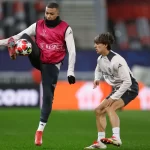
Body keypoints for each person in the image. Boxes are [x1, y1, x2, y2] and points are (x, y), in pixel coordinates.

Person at [0, 2, 76, 146]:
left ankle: (39, 131)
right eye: (46, 13)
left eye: (51, 14)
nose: (48, 16)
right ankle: (14, 49)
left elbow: (72, 51)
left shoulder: (66, 29)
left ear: (57, 13)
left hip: (52, 65)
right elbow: (16, 36)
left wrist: (70, 71)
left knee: (47, 96)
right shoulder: (38, 25)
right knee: (24, 38)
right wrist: (3, 42)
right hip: (38, 57)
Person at [84, 32, 138, 149]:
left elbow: (127, 81)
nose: (95, 46)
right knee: (98, 110)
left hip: (129, 88)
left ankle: (116, 138)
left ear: (105, 45)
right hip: (118, 88)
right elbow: (98, 69)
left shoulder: (117, 60)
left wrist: (114, 97)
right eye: (95, 44)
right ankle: (100, 142)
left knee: (110, 107)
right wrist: (97, 78)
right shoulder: (100, 59)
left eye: (98, 44)